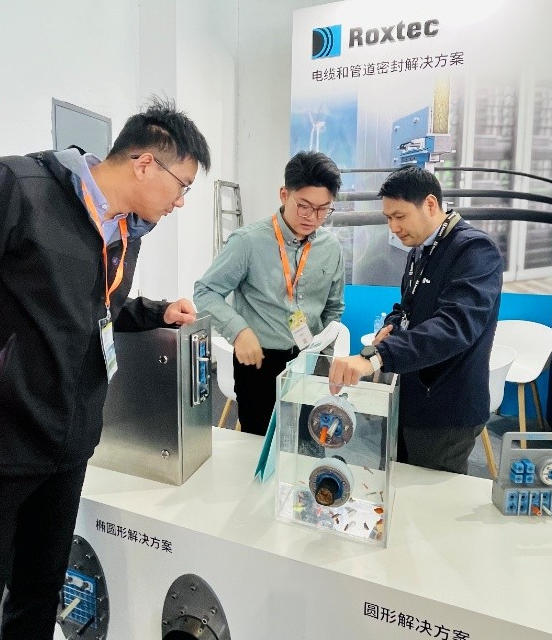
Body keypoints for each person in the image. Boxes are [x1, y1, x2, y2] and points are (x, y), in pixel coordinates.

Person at [0, 98, 210, 639]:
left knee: (39, 591)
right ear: (145, 163)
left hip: (69, 443)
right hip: (8, 440)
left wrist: (156, 312)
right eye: (182, 186)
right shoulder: (20, 188)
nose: (180, 202)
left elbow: (96, 310)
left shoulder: (124, 230)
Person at [328, 166, 503, 474]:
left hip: (446, 409)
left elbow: (454, 326)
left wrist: (378, 356)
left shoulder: (474, 250)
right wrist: (392, 325)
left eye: (400, 216)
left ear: (430, 204)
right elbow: (407, 305)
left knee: (430, 498)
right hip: (410, 396)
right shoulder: (420, 249)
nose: (393, 227)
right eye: (388, 218)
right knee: (399, 483)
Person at [194, 151, 344, 436]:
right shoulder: (248, 242)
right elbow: (206, 291)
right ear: (284, 194)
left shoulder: (331, 248)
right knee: (258, 444)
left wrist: (322, 355)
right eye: (304, 206)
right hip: (259, 363)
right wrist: (239, 332)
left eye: (323, 209)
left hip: (308, 361)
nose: (312, 217)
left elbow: (334, 308)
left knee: (307, 440)